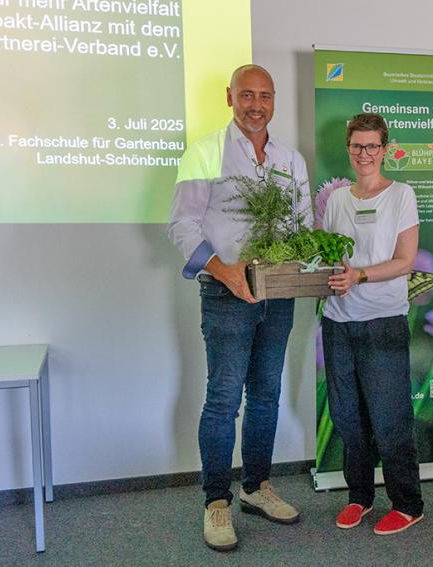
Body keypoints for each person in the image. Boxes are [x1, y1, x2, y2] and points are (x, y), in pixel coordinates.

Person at [167, 64, 310, 552]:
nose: (256, 104)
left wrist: (308, 265)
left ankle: (255, 487)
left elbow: (303, 224)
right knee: (224, 399)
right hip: (226, 294)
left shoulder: (292, 160)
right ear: (229, 97)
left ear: (274, 101)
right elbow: (182, 225)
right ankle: (216, 501)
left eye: (265, 96)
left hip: (278, 293)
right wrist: (226, 270)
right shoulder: (205, 151)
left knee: (266, 395)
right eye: (246, 94)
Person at [321, 112, 424, 535]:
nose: (363, 154)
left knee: (390, 418)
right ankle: (360, 497)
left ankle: (407, 503)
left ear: (384, 149)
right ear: (348, 148)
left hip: (382, 321)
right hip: (338, 322)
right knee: (348, 419)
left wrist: (360, 275)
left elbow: (406, 261)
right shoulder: (336, 200)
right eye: (356, 146)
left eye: (372, 146)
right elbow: (328, 255)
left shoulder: (401, 194)